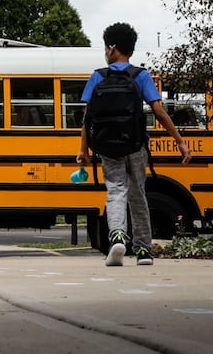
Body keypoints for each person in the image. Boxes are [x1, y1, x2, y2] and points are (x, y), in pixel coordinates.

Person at [75, 22, 191, 267]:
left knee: (116, 191)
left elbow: (87, 118)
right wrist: (180, 141)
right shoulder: (141, 76)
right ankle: (143, 250)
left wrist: (83, 149)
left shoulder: (98, 76)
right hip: (136, 146)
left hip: (107, 147)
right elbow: (158, 111)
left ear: (112, 48)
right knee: (138, 194)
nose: (105, 51)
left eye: (106, 47)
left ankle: (117, 236)